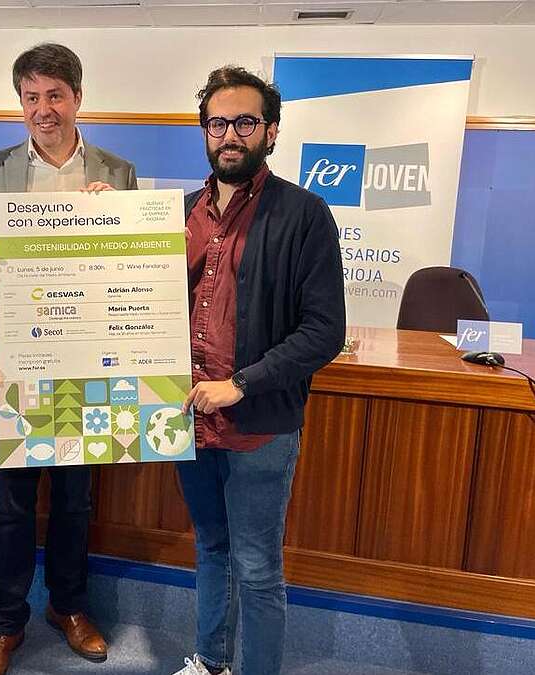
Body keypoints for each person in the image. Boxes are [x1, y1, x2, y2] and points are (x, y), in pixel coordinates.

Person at [0, 43, 137, 675]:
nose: (44, 109)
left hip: (86, 362)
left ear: (78, 98)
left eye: (55, 96)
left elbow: (134, 270)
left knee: (74, 499)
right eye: (31, 98)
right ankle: (6, 624)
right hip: (14, 363)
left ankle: (69, 607)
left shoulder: (117, 174)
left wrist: (114, 221)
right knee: (10, 501)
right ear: (21, 104)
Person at [173, 66, 345, 675]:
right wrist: (101, 220)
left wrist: (240, 384)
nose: (230, 135)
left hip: (258, 425)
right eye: (218, 123)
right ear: (204, 133)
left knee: (256, 566)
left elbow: (324, 332)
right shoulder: (181, 215)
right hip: (187, 422)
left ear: (270, 132)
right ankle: (212, 660)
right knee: (211, 549)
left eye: (245, 122)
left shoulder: (305, 215)